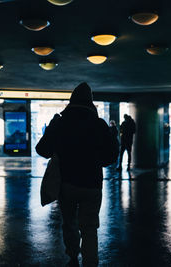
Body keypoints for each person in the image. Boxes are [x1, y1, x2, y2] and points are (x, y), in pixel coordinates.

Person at [36, 82, 118, 267]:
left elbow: (42, 149)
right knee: (89, 227)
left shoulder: (61, 122)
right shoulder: (99, 124)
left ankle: (73, 256)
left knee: (69, 222)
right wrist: (96, 162)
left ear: (71, 100)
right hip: (92, 184)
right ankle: (90, 262)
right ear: (90, 102)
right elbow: (112, 155)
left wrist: (54, 134)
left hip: (67, 184)